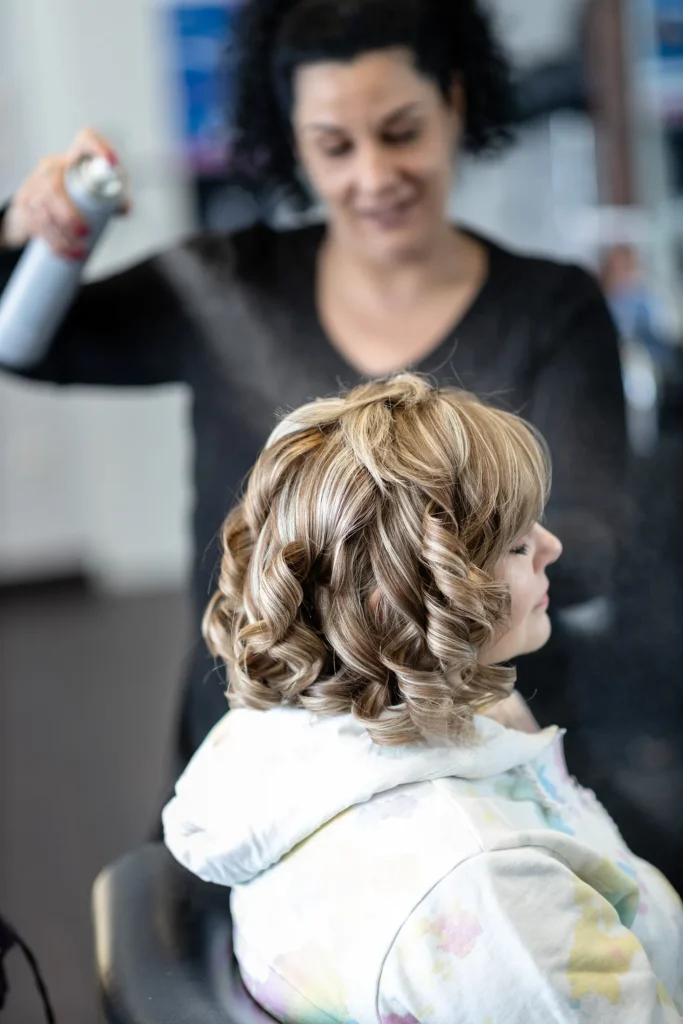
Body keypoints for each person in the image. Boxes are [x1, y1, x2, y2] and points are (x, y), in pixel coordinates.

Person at [0, 0, 627, 774]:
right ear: (293, 142)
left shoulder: (549, 309)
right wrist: (27, 238)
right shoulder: (225, 285)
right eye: (334, 146)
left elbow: (584, 545)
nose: (373, 175)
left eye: (401, 132)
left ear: (453, 102)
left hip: (481, 756)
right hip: (267, 752)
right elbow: (27, 343)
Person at [163, 374, 683, 1023]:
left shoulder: (270, 741)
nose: (551, 548)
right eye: (518, 545)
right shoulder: (491, 897)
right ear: (401, 604)